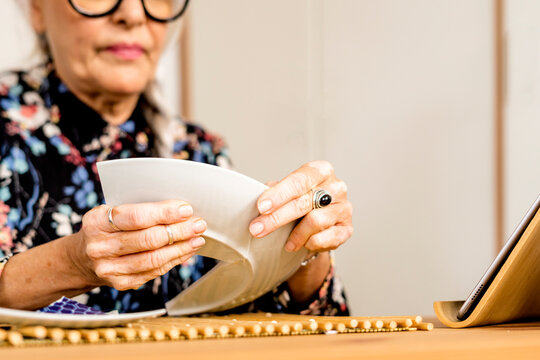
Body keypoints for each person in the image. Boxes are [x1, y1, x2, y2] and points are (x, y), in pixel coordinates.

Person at [0, 0, 353, 315]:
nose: (134, 14)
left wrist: (301, 246)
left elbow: (299, 325)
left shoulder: (199, 151)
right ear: (35, 8)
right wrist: (71, 263)